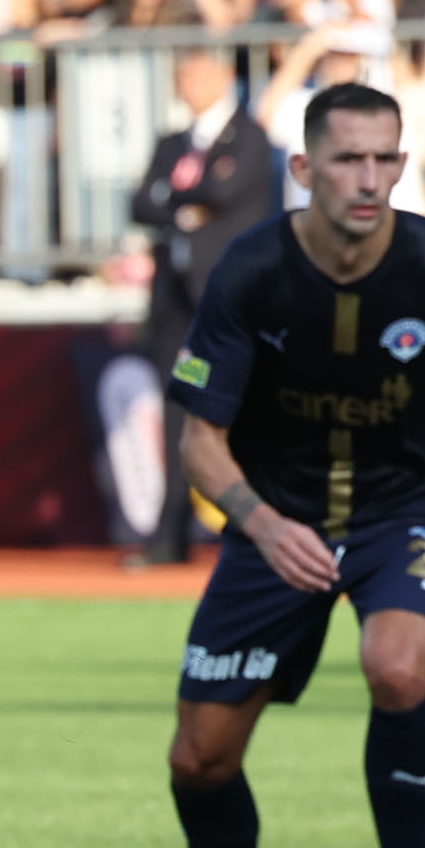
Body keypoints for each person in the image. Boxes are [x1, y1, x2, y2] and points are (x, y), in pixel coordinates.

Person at [140, 82, 425, 848]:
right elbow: (199, 437)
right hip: (277, 520)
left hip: (416, 508)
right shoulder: (249, 268)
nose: (368, 178)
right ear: (304, 167)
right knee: (198, 759)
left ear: (403, 163)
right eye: (348, 159)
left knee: (397, 669)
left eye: (384, 159)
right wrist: (262, 523)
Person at [129, 46, 274, 566]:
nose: (187, 85)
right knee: (177, 411)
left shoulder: (249, 136)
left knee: (244, 415)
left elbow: (227, 190)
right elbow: (141, 201)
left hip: (227, 301)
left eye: (198, 75)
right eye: (182, 76)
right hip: (173, 301)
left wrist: (177, 197)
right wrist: (191, 200)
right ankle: (169, 535)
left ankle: (252, 532)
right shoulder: (173, 142)